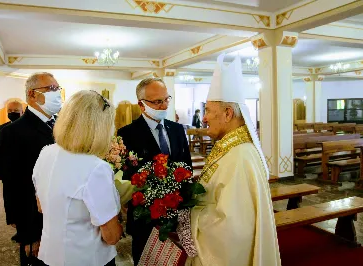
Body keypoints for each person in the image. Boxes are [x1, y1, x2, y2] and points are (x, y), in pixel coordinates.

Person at [184, 55, 280, 265]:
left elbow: (232, 230)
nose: (204, 118)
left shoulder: (240, 156)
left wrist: (189, 217)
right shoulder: (231, 148)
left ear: (228, 113)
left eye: (208, 110)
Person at [33, 90, 122, 266]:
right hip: (86, 258)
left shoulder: (46, 152)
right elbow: (111, 236)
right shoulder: (96, 168)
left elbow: (41, 206)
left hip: (50, 254)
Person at [117, 77, 192, 265]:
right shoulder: (126, 134)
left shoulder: (176, 130)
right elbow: (126, 177)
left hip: (177, 214)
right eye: (157, 101)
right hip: (144, 218)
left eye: (166, 99)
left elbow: (187, 167)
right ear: (141, 105)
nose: (163, 105)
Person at [0, 72, 61, 265]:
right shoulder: (12, 132)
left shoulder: (61, 126)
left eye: (58, 89)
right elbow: (13, 185)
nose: (57, 93)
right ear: (32, 94)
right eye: (51, 89)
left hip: (62, 218)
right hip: (35, 222)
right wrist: (27, 234)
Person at [0, 100, 23, 242]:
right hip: (8, 173)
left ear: (22, 111)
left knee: (22, 202)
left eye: (15, 110)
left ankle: (24, 228)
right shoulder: (3, 128)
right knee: (11, 202)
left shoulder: (26, 128)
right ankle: (17, 228)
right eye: (9, 111)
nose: (12, 113)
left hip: (23, 173)